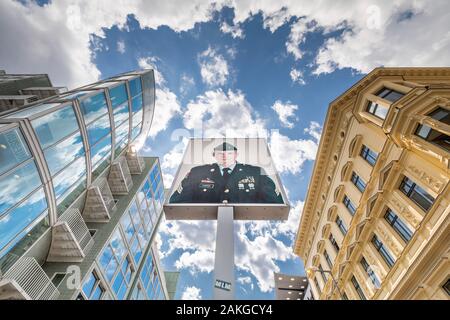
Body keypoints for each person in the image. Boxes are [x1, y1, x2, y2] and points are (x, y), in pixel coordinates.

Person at [169, 142, 283, 204]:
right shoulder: (197, 172)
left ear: (236, 155)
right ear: (214, 156)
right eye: (219, 153)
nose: (224, 156)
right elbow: (177, 202)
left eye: (229, 153)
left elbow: (275, 202)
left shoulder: (256, 172)